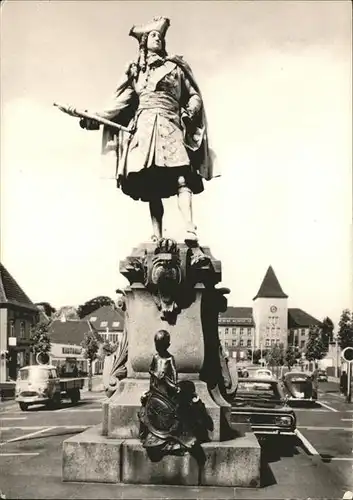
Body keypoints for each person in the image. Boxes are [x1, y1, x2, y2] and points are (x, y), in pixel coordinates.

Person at [80, 16, 216, 247]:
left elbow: (193, 95)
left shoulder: (175, 67)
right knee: (152, 184)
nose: (159, 39)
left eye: (161, 37)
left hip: (171, 124)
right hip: (144, 130)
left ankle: (190, 228)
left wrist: (190, 112)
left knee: (182, 177)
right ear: (143, 43)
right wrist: (96, 118)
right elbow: (121, 103)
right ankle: (157, 235)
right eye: (154, 36)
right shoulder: (137, 73)